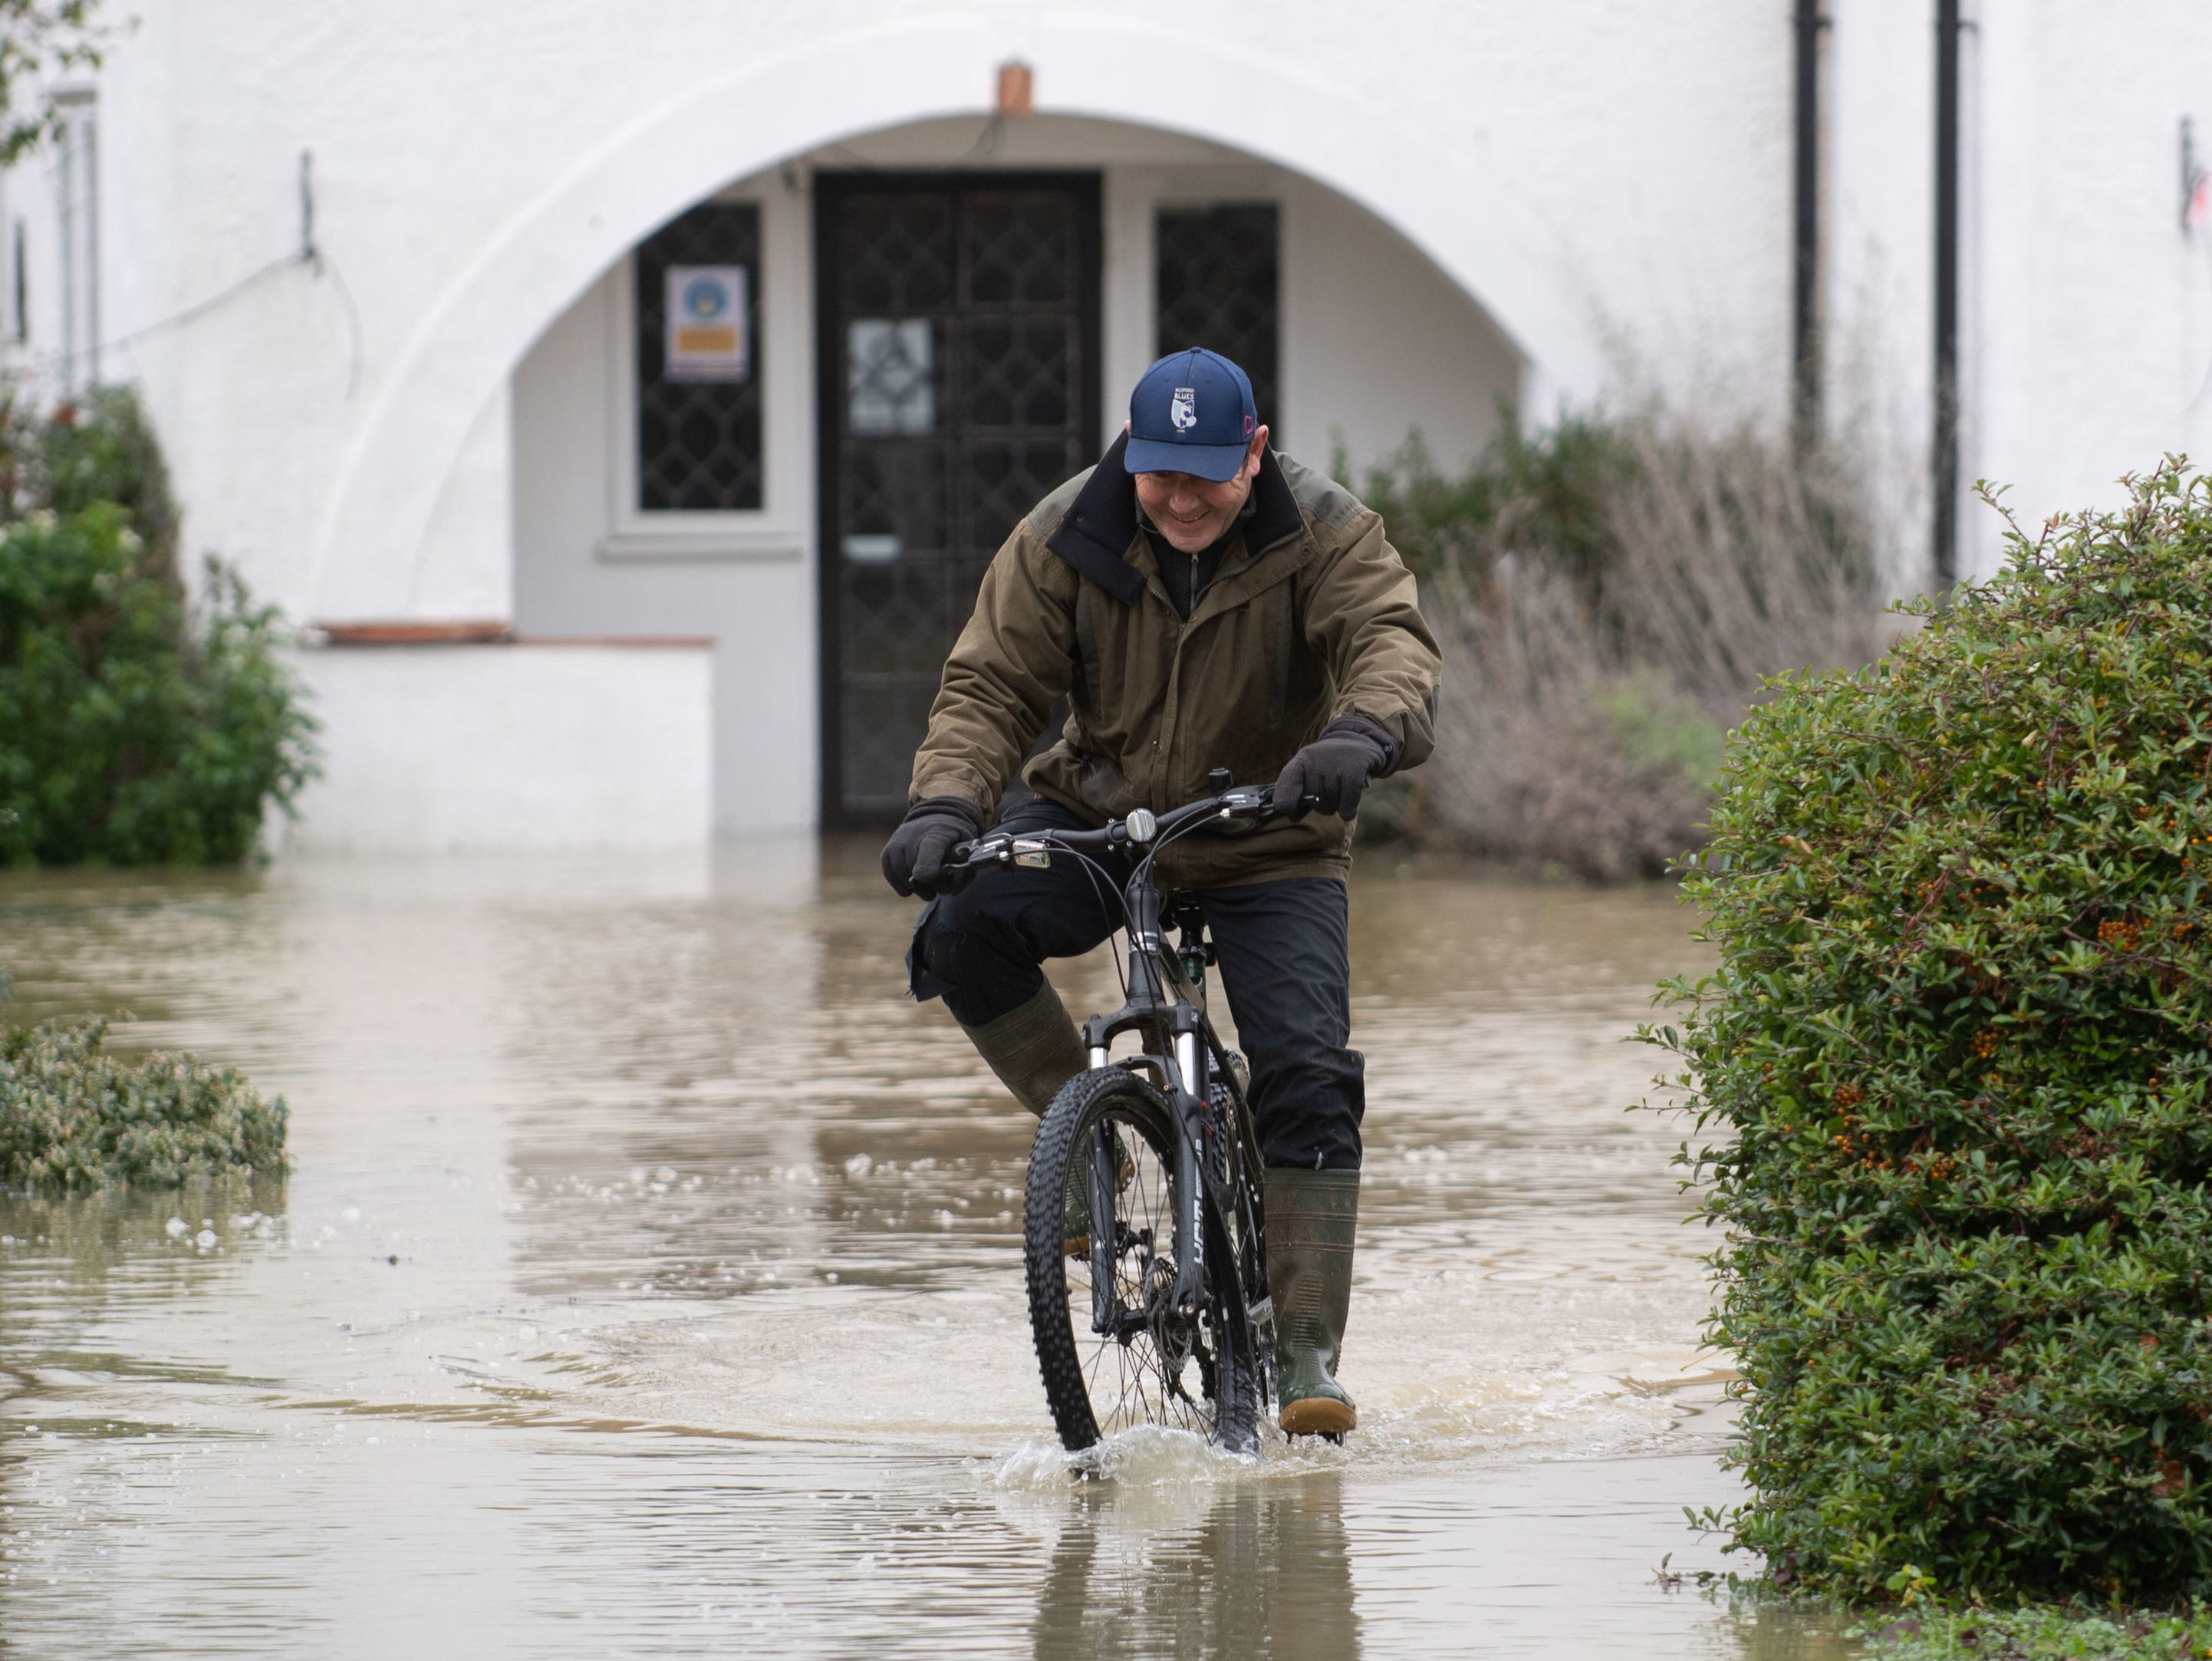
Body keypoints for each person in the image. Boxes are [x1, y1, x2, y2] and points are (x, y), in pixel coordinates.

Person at [881, 347, 1441, 1437]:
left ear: (1255, 452)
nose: (1182, 499)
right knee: (959, 931)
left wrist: (1357, 735)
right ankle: (1086, 1142)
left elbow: (1392, 644)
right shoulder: (1064, 535)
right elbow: (990, 684)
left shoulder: (1328, 532)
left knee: (1307, 1070)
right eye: (1160, 473)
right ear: (1131, 456)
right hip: (1102, 815)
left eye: (1207, 474)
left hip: (1272, 832)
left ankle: (1304, 1347)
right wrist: (945, 806)